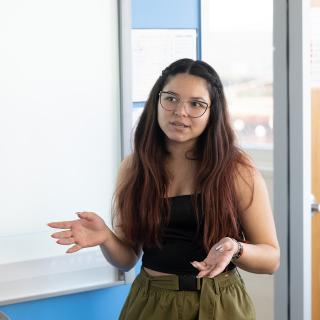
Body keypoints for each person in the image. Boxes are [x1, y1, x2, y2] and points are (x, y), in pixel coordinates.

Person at [48, 58, 280, 320]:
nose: (180, 111)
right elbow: (126, 259)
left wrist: (236, 248)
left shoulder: (236, 169)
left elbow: (271, 259)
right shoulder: (135, 167)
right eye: (171, 98)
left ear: (212, 111)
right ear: (157, 101)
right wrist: (106, 238)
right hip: (151, 302)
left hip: (220, 304)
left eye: (196, 104)